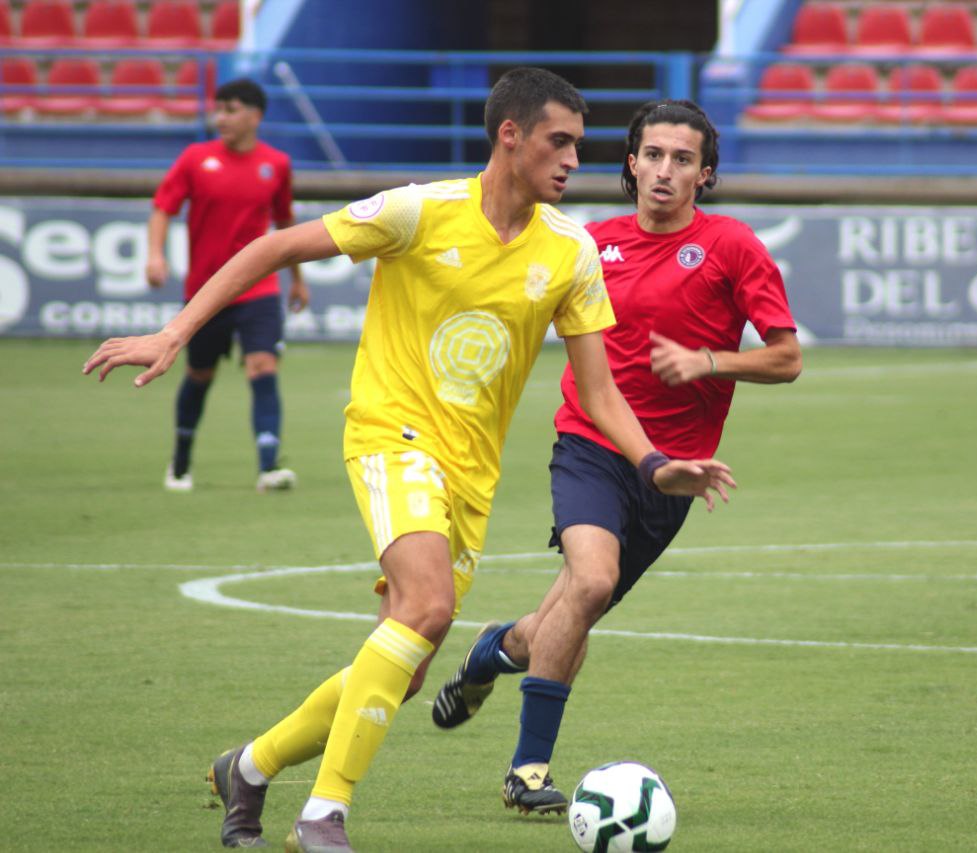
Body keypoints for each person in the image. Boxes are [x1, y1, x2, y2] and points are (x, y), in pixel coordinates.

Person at [84, 69, 734, 853]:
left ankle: (249, 767)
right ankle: (323, 816)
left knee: (406, 658)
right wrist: (174, 332)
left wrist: (655, 463)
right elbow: (274, 245)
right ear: (511, 136)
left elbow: (599, 394)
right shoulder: (419, 209)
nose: (573, 159)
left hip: (469, 473)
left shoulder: (570, 251)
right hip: (390, 435)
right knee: (427, 606)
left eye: (577, 144)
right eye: (559, 141)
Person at [428, 99, 802, 814]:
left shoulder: (732, 246)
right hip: (592, 446)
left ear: (706, 173)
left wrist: (709, 362)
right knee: (591, 582)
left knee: (562, 620)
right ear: (630, 163)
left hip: (676, 474)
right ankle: (528, 770)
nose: (665, 171)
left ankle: (491, 654)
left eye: (682, 159)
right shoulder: (585, 243)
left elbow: (786, 357)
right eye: (653, 155)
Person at [147, 77, 309, 494]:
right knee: (199, 373)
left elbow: (285, 225)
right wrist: (155, 253)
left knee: (263, 366)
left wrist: (297, 279)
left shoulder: (277, 164)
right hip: (206, 291)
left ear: (256, 116)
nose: (220, 117)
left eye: (231, 109)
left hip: (259, 290)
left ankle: (268, 467)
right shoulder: (195, 158)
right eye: (218, 109)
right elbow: (163, 208)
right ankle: (180, 463)